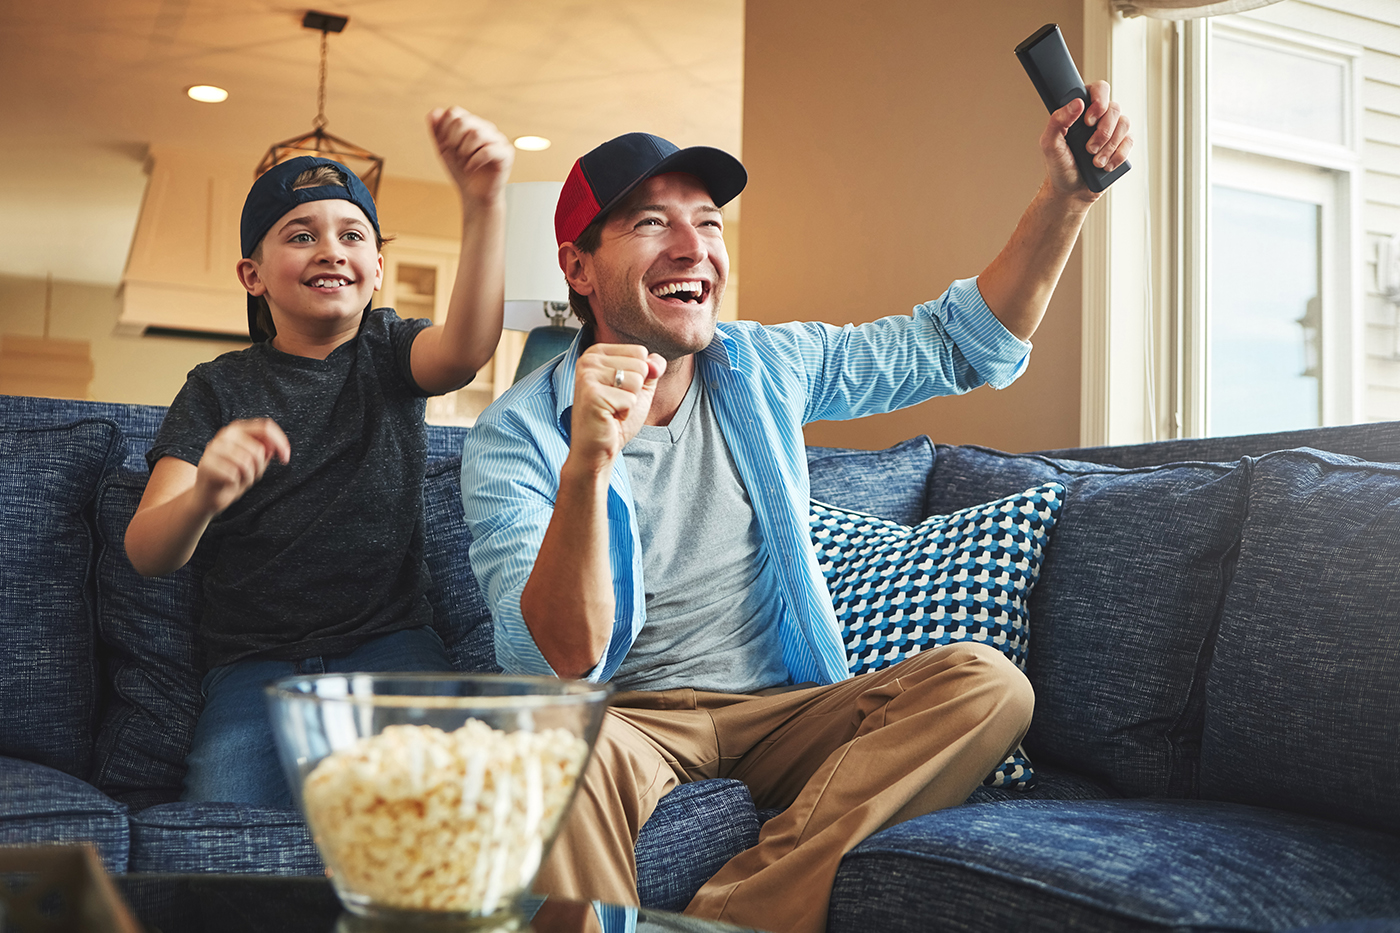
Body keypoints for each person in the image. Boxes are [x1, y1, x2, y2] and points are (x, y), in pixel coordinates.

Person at [461, 85, 1131, 933]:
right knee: (559, 748)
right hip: (624, 718)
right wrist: (592, 457)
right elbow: (557, 658)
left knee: (985, 684)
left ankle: (736, 916)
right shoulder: (515, 435)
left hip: (786, 706)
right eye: (650, 224)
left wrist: (1064, 196)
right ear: (579, 266)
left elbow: (962, 344)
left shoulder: (765, 363)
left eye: (707, 222)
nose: (692, 247)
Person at [124, 107, 514, 807]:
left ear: (376, 268)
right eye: (300, 235)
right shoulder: (217, 387)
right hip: (253, 669)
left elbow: (467, 349)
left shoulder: (390, 352)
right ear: (253, 274)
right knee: (229, 833)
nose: (331, 249)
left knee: (440, 811)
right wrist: (207, 491)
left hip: (392, 648)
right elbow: (149, 550)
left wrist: (484, 203)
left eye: (351, 235)